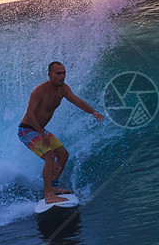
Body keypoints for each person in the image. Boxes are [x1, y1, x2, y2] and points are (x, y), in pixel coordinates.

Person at [18, 61, 104, 203]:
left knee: (63, 155)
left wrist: (93, 112)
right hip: (27, 129)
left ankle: (54, 187)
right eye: (58, 73)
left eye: (64, 73)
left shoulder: (63, 89)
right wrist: (41, 133)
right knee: (49, 156)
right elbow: (31, 114)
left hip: (40, 130)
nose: (62, 76)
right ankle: (49, 195)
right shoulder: (39, 91)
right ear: (49, 74)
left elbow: (79, 102)